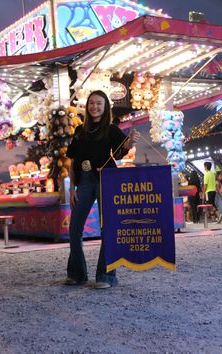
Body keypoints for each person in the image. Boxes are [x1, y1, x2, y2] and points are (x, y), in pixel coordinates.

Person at [65, 90, 140, 289]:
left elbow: (120, 153)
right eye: (91, 103)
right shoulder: (79, 130)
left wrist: (129, 143)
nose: (94, 107)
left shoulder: (111, 129)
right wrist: (71, 188)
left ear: (105, 107)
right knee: (74, 229)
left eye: (99, 103)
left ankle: (105, 276)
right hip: (84, 182)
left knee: (108, 228)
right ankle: (77, 274)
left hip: (106, 179)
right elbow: (72, 162)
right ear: (87, 106)